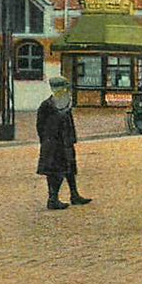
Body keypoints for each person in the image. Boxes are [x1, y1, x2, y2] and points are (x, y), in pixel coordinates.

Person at [37, 76, 91, 210]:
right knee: (55, 171)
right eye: (64, 88)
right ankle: (53, 199)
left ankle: (74, 195)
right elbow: (40, 126)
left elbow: (69, 123)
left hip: (66, 142)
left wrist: (72, 138)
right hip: (53, 144)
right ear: (57, 89)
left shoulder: (66, 104)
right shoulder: (47, 105)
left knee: (70, 169)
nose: (66, 91)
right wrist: (47, 141)